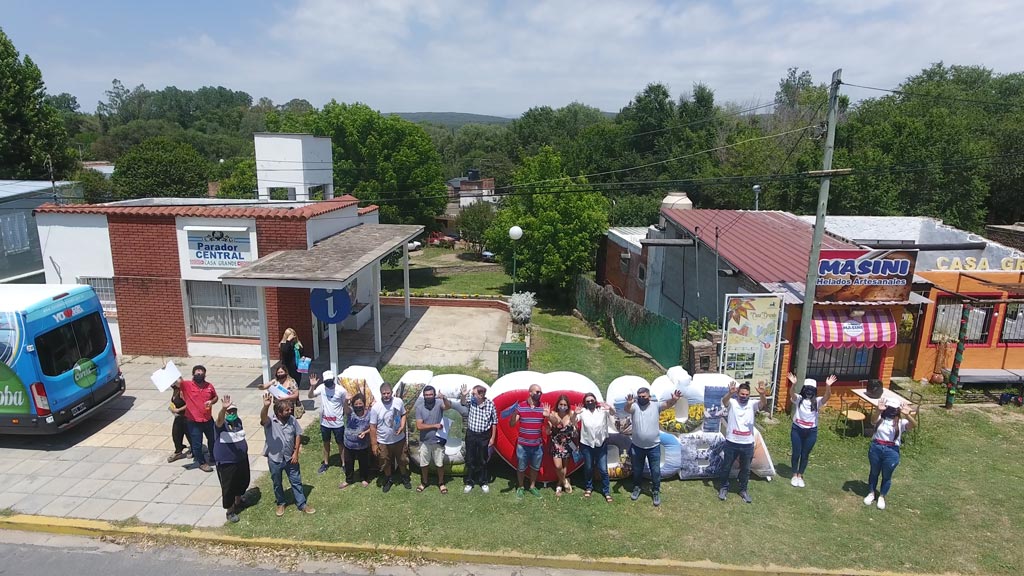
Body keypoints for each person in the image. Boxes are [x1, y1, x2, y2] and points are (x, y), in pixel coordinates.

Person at [625, 387, 682, 507]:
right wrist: (629, 403)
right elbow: (627, 409)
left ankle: (655, 490)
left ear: (649, 397)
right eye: (639, 397)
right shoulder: (635, 406)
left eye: (644, 397)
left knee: (655, 471)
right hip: (637, 446)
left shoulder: (656, 406)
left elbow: (667, 404)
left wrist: (674, 400)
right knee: (637, 470)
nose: (641, 399)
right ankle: (637, 488)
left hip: (654, 446)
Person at [260, 395, 315, 516]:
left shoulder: (292, 420)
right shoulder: (270, 421)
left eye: (290, 409)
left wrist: (296, 452)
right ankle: (280, 503)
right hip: (275, 459)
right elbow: (263, 418)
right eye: (287, 410)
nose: (290, 411)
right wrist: (266, 406)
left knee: (296, 481)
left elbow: (298, 435)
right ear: (279, 412)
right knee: (277, 482)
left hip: (291, 458)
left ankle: (302, 504)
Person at [717, 380, 771, 504]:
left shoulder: (752, 404)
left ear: (749, 395)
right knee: (726, 467)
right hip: (732, 442)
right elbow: (724, 401)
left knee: (745, 469)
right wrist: (730, 393)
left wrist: (763, 394)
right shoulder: (732, 402)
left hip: (747, 444)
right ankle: (724, 488)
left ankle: (743, 490)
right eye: (742, 394)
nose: (744, 397)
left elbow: (763, 404)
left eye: (747, 395)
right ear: (738, 393)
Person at [864, 397, 917, 510]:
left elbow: (914, 425)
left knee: (887, 475)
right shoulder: (879, 419)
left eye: (894, 409)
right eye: (890, 408)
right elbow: (873, 420)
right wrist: (878, 410)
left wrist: (908, 415)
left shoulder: (901, 423)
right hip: (876, 448)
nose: (891, 411)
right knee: (874, 472)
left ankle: (882, 496)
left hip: (891, 451)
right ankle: (871, 493)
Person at [787, 372, 835, 487]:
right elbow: (792, 394)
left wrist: (828, 386)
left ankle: (800, 475)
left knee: (805, 454)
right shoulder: (799, 399)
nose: (809, 392)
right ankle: (794, 474)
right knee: (796, 453)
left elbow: (827, 397)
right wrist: (793, 384)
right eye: (807, 389)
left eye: (811, 389)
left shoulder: (817, 402)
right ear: (803, 389)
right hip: (797, 430)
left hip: (811, 432)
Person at [213, 395, 250, 523]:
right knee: (228, 487)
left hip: (241, 458)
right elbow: (219, 420)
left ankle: (238, 501)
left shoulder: (238, 421)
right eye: (229, 411)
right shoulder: (221, 423)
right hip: (226, 461)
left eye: (234, 411)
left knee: (243, 480)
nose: (232, 413)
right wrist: (223, 409)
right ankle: (230, 510)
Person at [369, 382, 411, 493]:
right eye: (384, 394)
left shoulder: (398, 402)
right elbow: (372, 427)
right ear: (380, 394)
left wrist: (402, 425)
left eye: (388, 393)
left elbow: (403, 414)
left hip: (399, 439)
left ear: (392, 392)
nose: (386, 395)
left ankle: (404, 477)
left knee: (402, 459)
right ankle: (388, 479)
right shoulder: (375, 408)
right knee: (385, 462)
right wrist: (374, 444)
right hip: (383, 441)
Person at [509, 383, 546, 499]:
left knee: (535, 467)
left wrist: (549, 416)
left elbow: (552, 423)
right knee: (521, 467)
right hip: (523, 445)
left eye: (540, 392)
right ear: (530, 392)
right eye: (537, 392)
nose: (539, 394)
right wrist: (514, 412)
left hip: (537, 445)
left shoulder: (542, 407)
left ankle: (532, 486)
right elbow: (512, 424)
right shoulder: (521, 406)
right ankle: (520, 487)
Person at [577, 392, 615, 502]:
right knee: (588, 467)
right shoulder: (583, 412)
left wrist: (610, 408)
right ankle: (589, 487)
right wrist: (575, 414)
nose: (590, 402)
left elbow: (613, 414)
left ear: (595, 400)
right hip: (587, 444)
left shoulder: (602, 410)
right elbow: (574, 421)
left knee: (603, 469)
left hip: (601, 443)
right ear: (585, 402)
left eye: (591, 400)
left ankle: (606, 491)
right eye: (587, 401)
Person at [460, 384, 497, 493]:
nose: (472, 395)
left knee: (482, 459)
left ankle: (483, 481)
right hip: (471, 434)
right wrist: (463, 395)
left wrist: (492, 438)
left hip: (483, 436)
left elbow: (494, 422)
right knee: (470, 458)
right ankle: (470, 481)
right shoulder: (472, 402)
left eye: (474, 393)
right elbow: (462, 402)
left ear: (481, 395)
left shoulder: (490, 405)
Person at [181, 365, 218, 472]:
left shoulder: (209, 386)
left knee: (213, 439)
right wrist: (168, 370)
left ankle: (213, 457)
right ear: (193, 374)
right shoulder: (187, 385)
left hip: (207, 419)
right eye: (197, 373)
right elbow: (176, 381)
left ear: (205, 374)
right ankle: (202, 463)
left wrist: (212, 401)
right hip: (193, 421)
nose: (199, 375)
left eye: (201, 373)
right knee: (197, 444)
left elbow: (215, 397)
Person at [414, 385, 451, 493]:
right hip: (425, 441)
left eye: (430, 394)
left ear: (434, 395)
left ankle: (441, 483)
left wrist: (443, 397)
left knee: (439, 463)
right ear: (423, 396)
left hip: (438, 440)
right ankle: (424, 482)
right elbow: (419, 426)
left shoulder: (439, 403)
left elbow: (448, 407)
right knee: (424, 463)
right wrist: (434, 425)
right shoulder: (420, 408)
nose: (428, 396)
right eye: (426, 395)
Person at [308, 370, 346, 474]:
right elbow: (310, 396)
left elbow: (344, 404)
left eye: (330, 381)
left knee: (340, 443)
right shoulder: (321, 387)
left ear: (333, 379)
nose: (328, 383)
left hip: (338, 423)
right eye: (326, 381)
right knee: (325, 442)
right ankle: (325, 463)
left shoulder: (341, 390)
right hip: (325, 422)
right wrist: (312, 386)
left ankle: (344, 463)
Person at [546, 394, 577, 496]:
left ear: (568, 405)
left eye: (565, 404)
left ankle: (559, 485)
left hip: (568, 443)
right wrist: (548, 422)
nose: (563, 406)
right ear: (557, 404)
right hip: (556, 443)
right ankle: (565, 482)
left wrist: (575, 416)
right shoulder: (553, 414)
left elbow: (575, 426)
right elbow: (549, 428)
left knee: (564, 466)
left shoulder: (571, 414)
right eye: (561, 404)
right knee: (558, 466)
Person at [341, 393, 372, 489]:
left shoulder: (369, 413)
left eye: (360, 404)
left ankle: (364, 478)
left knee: (363, 462)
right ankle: (348, 479)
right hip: (349, 444)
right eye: (356, 404)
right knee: (348, 462)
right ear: (353, 404)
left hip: (363, 444)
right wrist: (346, 400)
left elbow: (373, 427)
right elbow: (345, 409)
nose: (358, 406)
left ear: (364, 403)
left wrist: (365, 432)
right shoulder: (351, 412)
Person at [166, 378, 189, 463]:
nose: (174, 382)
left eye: (176, 381)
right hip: (178, 417)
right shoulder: (175, 389)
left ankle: (196, 450)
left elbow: (189, 404)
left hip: (186, 416)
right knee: (176, 434)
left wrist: (178, 410)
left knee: (189, 435)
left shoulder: (184, 391)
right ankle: (178, 451)